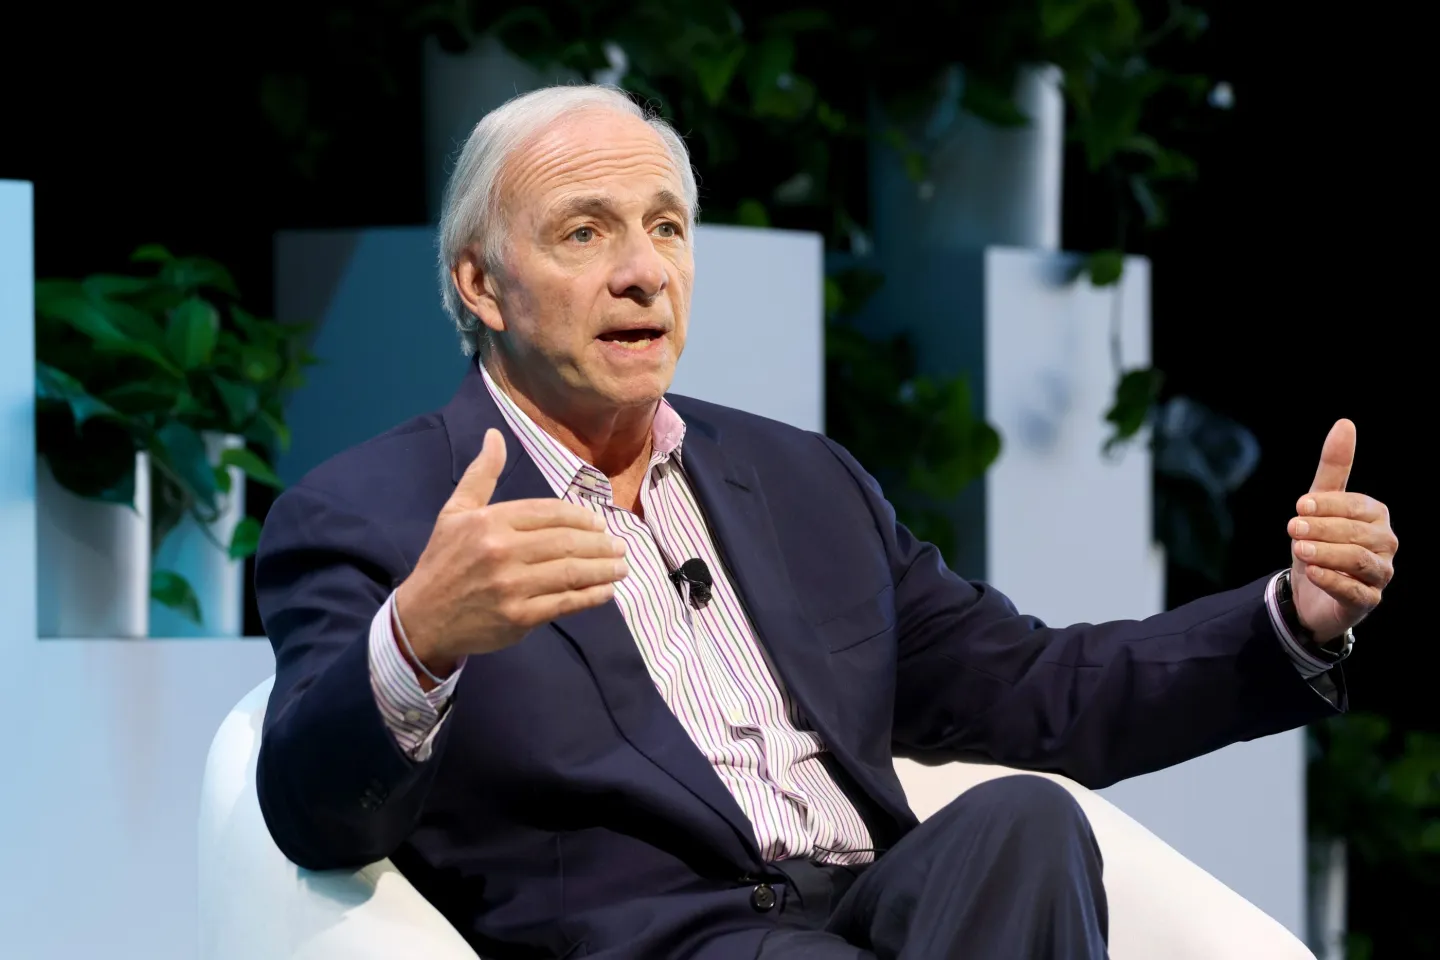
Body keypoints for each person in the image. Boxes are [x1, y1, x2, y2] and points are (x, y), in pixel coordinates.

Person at [254, 85, 1398, 960]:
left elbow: (1035, 689)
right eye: (585, 233)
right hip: (661, 942)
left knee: (1025, 822)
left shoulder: (801, 481)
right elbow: (314, 816)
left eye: (667, 227)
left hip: (877, 917)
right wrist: (419, 641)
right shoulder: (369, 513)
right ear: (481, 284)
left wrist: (1290, 619)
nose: (644, 272)